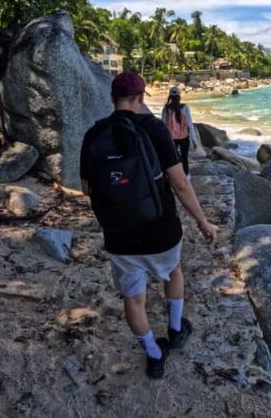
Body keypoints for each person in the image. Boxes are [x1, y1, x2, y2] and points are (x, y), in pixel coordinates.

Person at [80, 71, 217, 379]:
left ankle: (154, 355)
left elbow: (87, 188)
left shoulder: (93, 135)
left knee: (134, 298)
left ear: (111, 98)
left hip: (118, 235)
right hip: (162, 230)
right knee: (173, 272)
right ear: (141, 98)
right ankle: (176, 328)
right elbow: (180, 183)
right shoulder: (153, 128)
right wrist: (203, 221)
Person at [161, 86, 202, 176]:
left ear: (170, 97)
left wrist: (163, 140)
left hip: (171, 138)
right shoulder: (184, 107)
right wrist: (194, 140)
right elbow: (190, 124)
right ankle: (186, 176)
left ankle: (175, 176)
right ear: (179, 96)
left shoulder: (166, 109)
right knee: (184, 157)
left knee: (173, 158)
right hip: (184, 137)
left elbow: (163, 125)